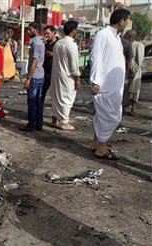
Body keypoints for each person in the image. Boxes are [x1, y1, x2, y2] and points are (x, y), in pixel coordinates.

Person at [90, 8, 131, 160]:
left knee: (102, 115)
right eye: (127, 21)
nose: (127, 24)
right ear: (122, 21)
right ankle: (102, 148)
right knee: (112, 116)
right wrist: (95, 81)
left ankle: (96, 143)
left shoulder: (116, 38)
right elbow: (96, 57)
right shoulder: (103, 35)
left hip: (114, 86)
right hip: (104, 85)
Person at [49, 20, 81, 131]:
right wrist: (77, 78)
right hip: (67, 75)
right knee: (66, 98)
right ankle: (64, 122)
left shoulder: (58, 43)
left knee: (56, 97)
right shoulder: (71, 45)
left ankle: (54, 120)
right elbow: (74, 65)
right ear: (73, 31)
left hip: (57, 74)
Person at [20, 22, 45, 132]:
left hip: (35, 76)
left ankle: (31, 124)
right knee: (38, 101)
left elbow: (34, 61)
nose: (28, 31)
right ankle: (38, 124)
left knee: (32, 101)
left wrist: (28, 78)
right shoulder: (40, 42)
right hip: (40, 75)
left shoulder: (36, 44)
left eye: (30, 29)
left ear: (36, 29)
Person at [123, 30, 145, 115]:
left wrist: (133, 67)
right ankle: (123, 107)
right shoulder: (127, 45)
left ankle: (132, 108)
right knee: (125, 89)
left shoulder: (138, 45)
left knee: (133, 90)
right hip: (127, 70)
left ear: (130, 36)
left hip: (135, 71)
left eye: (126, 35)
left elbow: (139, 60)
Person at [42, 25, 58, 105]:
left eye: (47, 33)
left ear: (53, 33)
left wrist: (53, 54)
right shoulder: (44, 44)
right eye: (45, 34)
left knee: (56, 96)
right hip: (45, 72)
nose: (46, 36)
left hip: (55, 73)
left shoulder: (59, 44)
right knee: (41, 93)